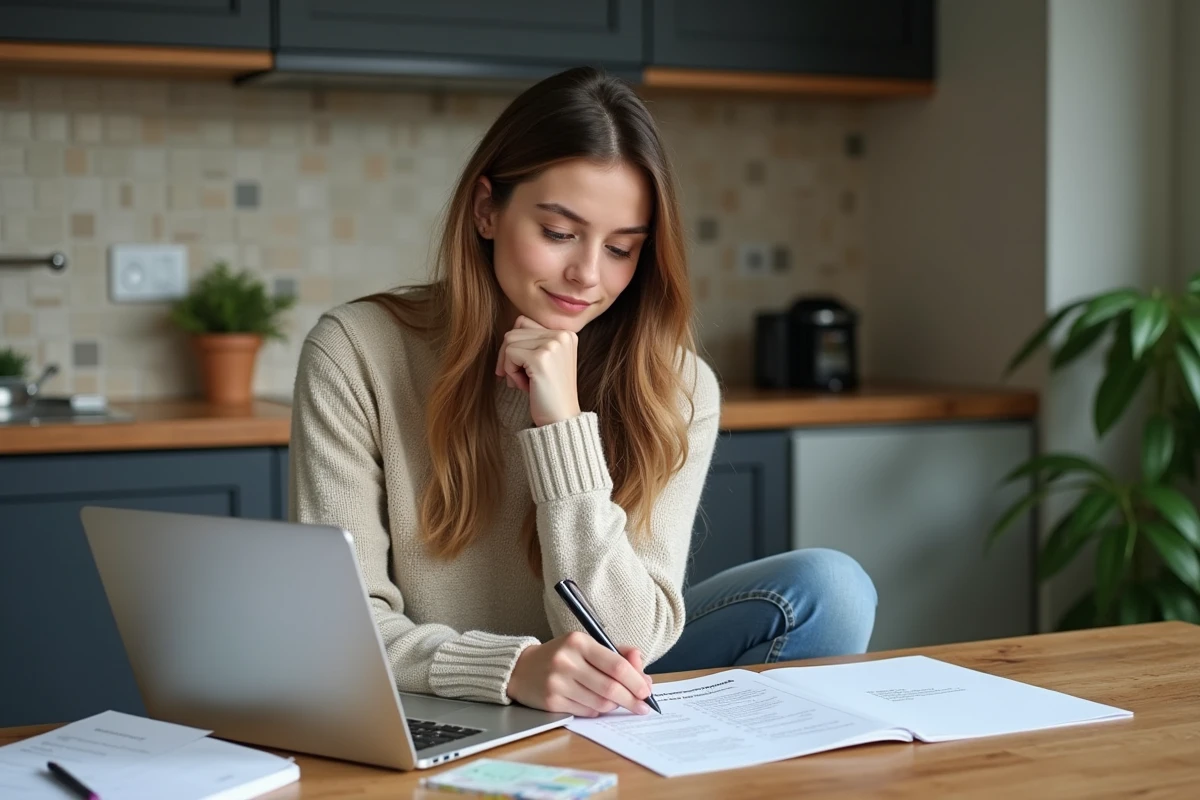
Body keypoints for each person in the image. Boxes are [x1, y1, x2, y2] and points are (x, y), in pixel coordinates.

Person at [290, 66, 876, 720]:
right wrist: (513, 669)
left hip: (617, 684)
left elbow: (628, 638)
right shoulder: (357, 351)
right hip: (446, 689)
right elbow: (340, 625)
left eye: (622, 249)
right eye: (559, 234)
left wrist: (561, 425)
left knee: (831, 590)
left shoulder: (677, 384)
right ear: (486, 210)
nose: (587, 276)